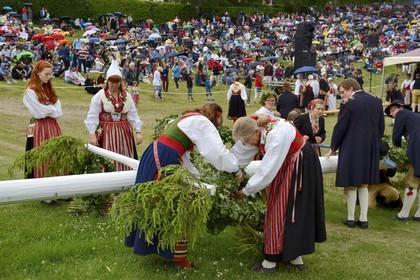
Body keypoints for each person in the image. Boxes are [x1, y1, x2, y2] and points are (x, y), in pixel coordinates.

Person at [125, 103, 243, 269]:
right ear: (215, 117)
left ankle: (164, 251)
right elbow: (217, 153)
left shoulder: (186, 117)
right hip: (164, 159)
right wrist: (236, 170)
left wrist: (196, 178)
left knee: (157, 205)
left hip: (154, 153)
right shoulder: (203, 123)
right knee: (177, 207)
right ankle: (177, 258)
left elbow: (182, 156)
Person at [231, 115, 326, 272]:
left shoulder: (276, 135)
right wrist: (232, 169)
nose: (248, 144)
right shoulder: (259, 128)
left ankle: (271, 261)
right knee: (285, 208)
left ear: (256, 132)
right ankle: (294, 257)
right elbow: (243, 152)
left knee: (284, 209)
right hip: (289, 163)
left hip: (299, 165)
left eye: (248, 140)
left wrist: (246, 191)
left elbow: (267, 171)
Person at [325, 78, 385, 229]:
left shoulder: (349, 103)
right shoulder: (376, 101)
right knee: (364, 183)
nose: (342, 96)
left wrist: (333, 147)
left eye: (342, 92)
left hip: (352, 146)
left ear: (350, 88)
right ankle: (363, 220)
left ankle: (351, 219)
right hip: (370, 147)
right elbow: (381, 127)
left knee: (352, 183)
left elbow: (340, 128)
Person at [84, 60, 143, 171]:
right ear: (107, 81)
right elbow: (92, 115)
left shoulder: (127, 96)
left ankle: (125, 176)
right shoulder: (100, 96)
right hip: (107, 131)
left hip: (124, 132)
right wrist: (92, 134)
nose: (114, 85)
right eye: (112, 82)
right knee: (108, 155)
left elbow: (133, 115)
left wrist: (138, 131)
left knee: (124, 154)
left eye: (117, 82)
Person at [23, 61, 62, 205]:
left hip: (52, 125)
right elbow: (39, 112)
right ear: (37, 73)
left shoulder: (48, 89)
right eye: (46, 74)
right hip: (40, 127)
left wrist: (51, 110)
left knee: (55, 155)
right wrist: (51, 110)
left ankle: (57, 190)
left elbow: (59, 110)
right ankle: (45, 194)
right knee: (42, 156)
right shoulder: (30, 91)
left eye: (50, 74)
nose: (49, 77)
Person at [384, 100, 420, 222]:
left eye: (393, 110)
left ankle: (403, 215)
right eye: (390, 113)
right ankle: (419, 215)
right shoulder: (415, 116)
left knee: (412, 181)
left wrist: (397, 149)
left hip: (418, 150)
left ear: (401, 107)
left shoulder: (402, 114)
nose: (392, 114)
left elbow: (396, 136)